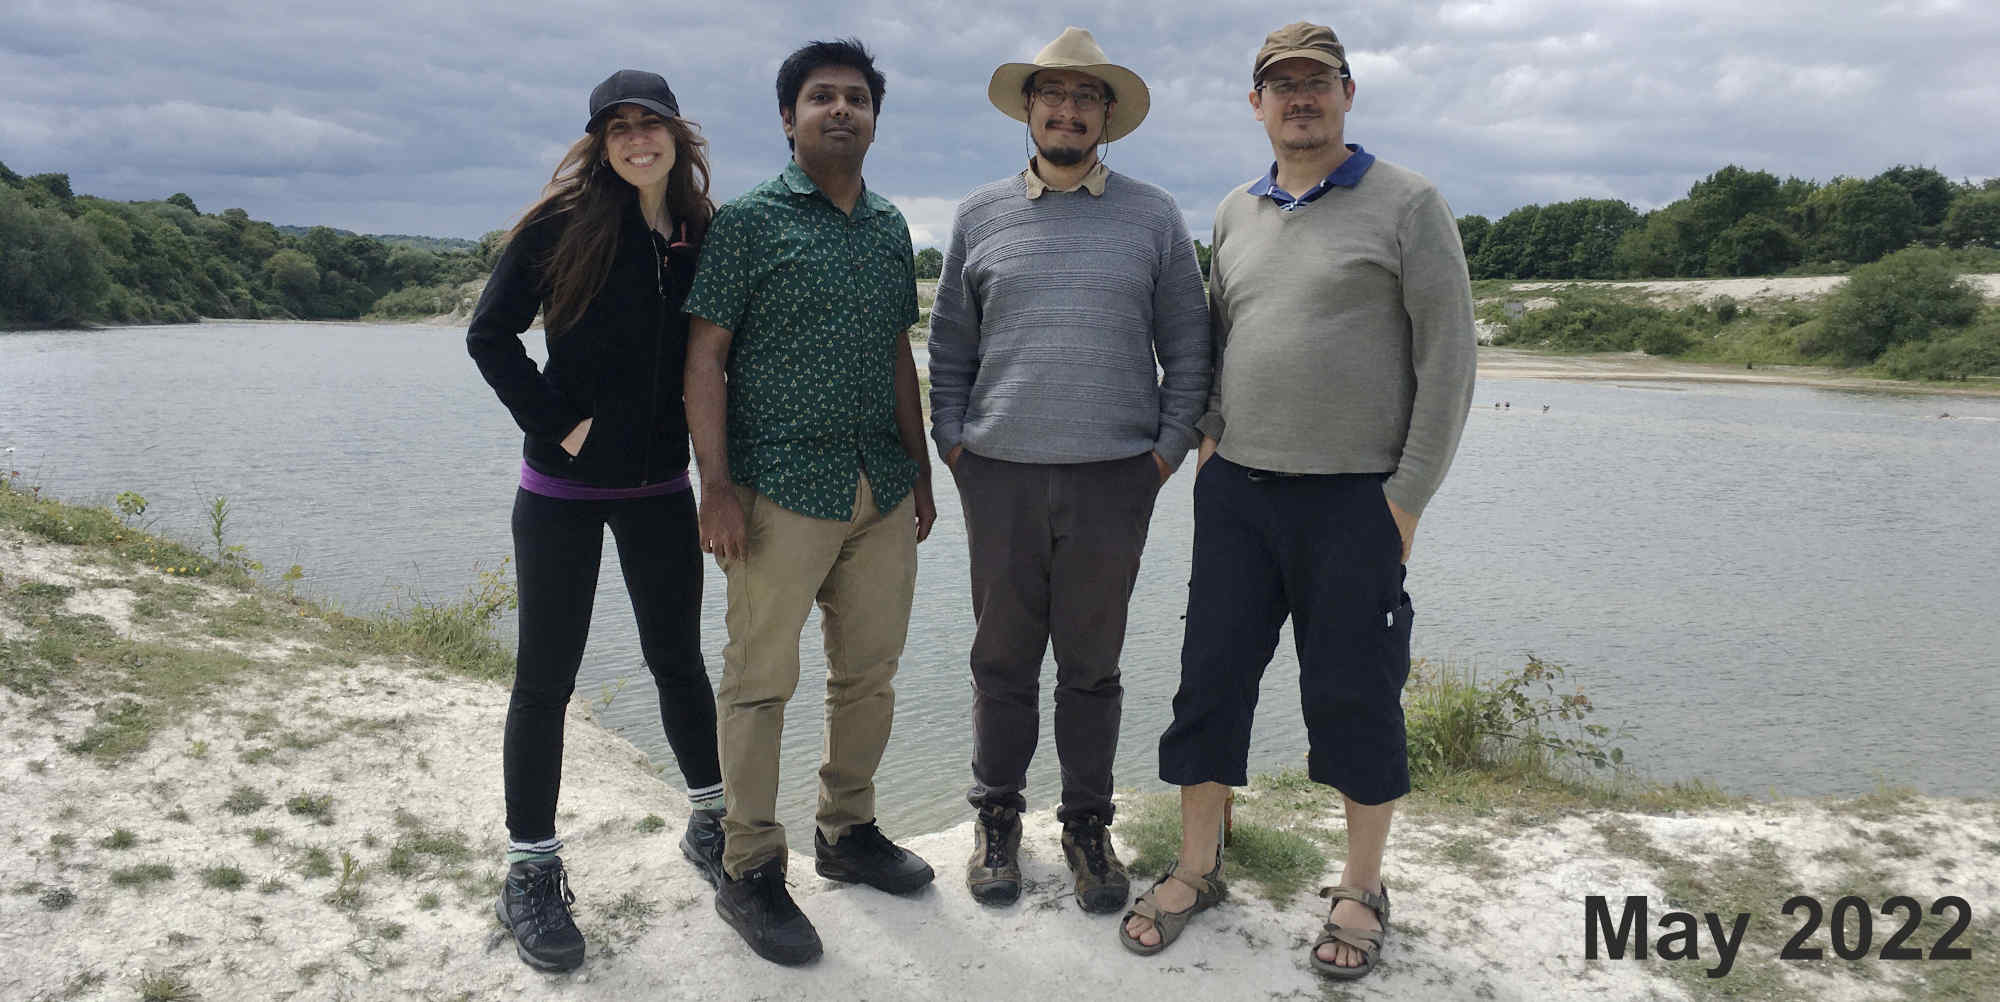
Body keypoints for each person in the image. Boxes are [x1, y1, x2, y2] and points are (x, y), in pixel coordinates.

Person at [1119, 22, 1477, 982]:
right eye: (1281, 84)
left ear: (1348, 93)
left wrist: (1406, 500)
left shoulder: (1410, 204)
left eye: (1317, 81)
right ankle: (1199, 866)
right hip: (1238, 493)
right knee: (1210, 684)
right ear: (1256, 104)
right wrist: (1209, 443)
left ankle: (1361, 888)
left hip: (1359, 502)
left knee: (1356, 696)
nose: (1300, 97)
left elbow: (1449, 364)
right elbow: (1224, 336)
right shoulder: (1236, 210)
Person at [927, 26, 1209, 913]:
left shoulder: (1154, 217)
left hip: (1113, 479)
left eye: (1086, 97)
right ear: (1028, 107)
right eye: (1052, 93)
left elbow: (1189, 350)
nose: (1067, 109)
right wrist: (957, 448)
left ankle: (1088, 827)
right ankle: (998, 821)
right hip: (999, 474)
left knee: (1092, 666)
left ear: (1108, 117)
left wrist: (1161, 457)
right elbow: (949, 349)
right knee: (1001, 661)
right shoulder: (979, 215)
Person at [683, 37, 936, 967]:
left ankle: (847, 832)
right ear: (788, 119)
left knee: (869, 671)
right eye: (822, 97)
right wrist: (715, 486)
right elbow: (704, 356)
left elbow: (895, 355)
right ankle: (749, 868)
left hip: (878, 484)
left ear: (875, 119)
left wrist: (919, 469)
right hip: (776, 487)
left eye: (858, 98)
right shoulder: (749, 223)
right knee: (758, 680)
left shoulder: (890, 228)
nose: (841, 110)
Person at [466, 69, 726, 973]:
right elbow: (488, 334)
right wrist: (555, 423)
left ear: (675, 135)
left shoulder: (702, 231)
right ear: (601, 141)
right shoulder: (561, 222)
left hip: (660, 488)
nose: (635, 139)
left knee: (678, 662)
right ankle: (530, 870)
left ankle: (713, 823)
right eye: (617, 127)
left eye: (649, 123)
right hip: (563, 495)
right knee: (544, 681)